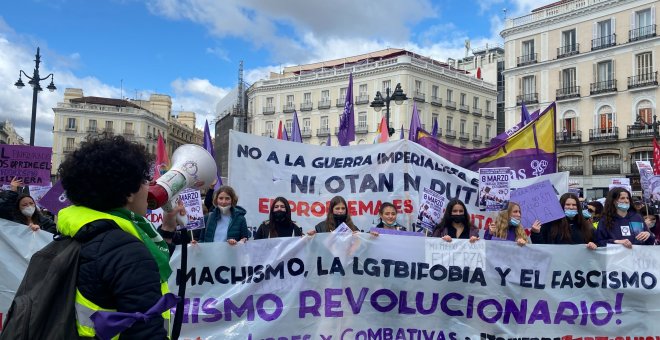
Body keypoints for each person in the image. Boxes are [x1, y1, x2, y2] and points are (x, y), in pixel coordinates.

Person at [56, 135, 181, 338]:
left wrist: (166, 229)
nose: (149, 187)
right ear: (128, 193)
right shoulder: (128, 253)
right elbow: (146, 333)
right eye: (144, 180)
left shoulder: (74, 231)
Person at [530, 193, 597, 249]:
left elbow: (597, 244)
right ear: (561, 206)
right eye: (567, 204)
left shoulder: (585, 225)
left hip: (580, 263)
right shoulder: (550, 224)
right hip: (556, 263)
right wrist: (536, 233)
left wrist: (593, 245)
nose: (571, 207)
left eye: (574, 205)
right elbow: (540, 247)